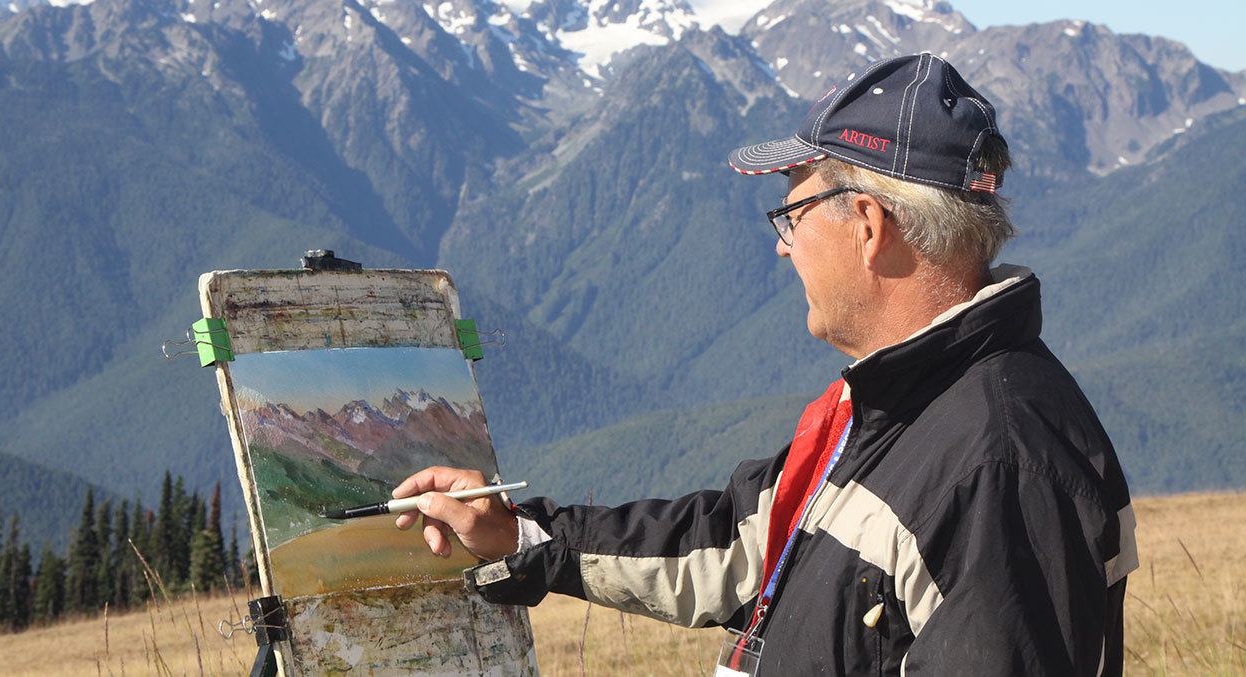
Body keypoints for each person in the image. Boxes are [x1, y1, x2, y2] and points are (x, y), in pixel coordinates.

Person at [392, 53, 1137, 675]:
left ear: (869, 226)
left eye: (793, 214)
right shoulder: (891, 405)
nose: (782, 244)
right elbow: (739, 544)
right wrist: (518, 535)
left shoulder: (997, 465)